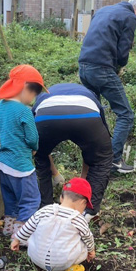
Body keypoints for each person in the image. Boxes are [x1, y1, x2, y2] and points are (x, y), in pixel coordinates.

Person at [78, 0, 136, 174]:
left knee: (94, 114)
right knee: (126, 114)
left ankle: (95, 159)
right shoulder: (129, 17)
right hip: (102, 68)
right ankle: (113, 161)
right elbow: (122, 52)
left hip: (83, 66)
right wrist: (119, 67)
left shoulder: (104, 10)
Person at [32, 83, 113, 218]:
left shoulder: (42, 96)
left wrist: (55, 175)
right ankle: (88, 212)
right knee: (101, 159)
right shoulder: (90, 96)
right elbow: (94, 151)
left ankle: (44, 209)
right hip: (86, 116)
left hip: (47, 116)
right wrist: (83, 180)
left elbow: (40, 147)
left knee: (39, 155)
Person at [0, 65, 45, 237]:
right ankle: (20, 236)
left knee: (11, 200)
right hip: (21, 165)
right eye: (33, 94)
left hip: (3, 163)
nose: (33, 99)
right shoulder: (24, 112)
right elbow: (32, 138)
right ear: (25, 88)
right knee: (30, 200)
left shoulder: (0, 106)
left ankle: (8, 230)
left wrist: (6, 141)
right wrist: (33, 149)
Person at [10, 178, 96, 271]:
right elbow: (88, 237)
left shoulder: (45, 210)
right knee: (83, 243)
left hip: (36, 258)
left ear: (61, 197)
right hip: (63, 263)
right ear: (83, 202)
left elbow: (28, 227)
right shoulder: (78, 219)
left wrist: (17, 240)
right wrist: (91, 251)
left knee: (34, 230)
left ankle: (42, 262)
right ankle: (69, 269)